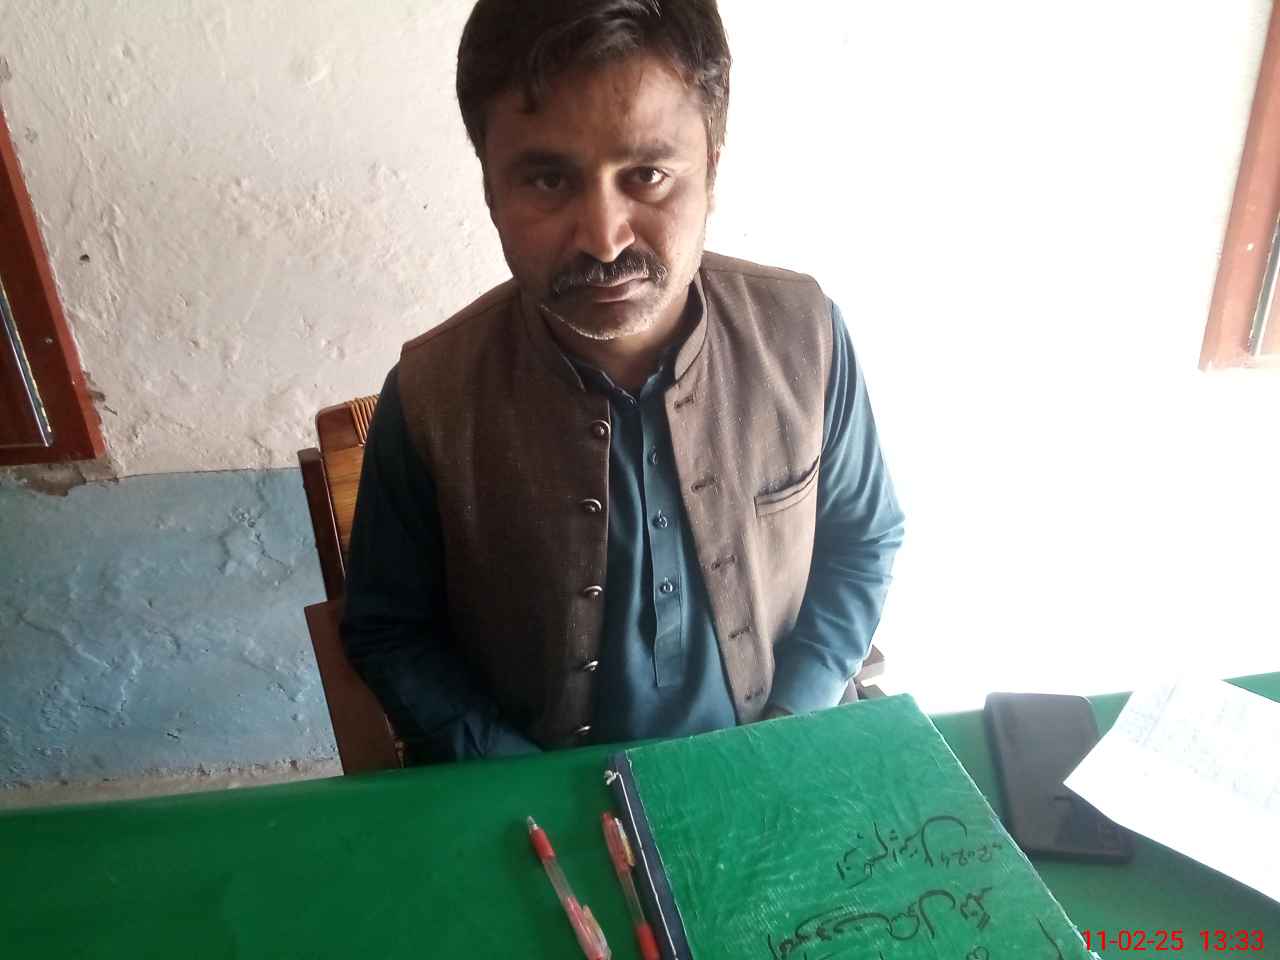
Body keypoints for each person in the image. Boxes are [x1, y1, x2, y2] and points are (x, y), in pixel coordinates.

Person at [341, 0, 905, 764]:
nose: (604, 239)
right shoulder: (430, 395)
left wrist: (790, 722)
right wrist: (513, 776)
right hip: (536, 801)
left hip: (788, 757)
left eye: (647, 174)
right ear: (490, 190)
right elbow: (389, 630)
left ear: (711, 168)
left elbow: (863, 541)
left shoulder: (805, 335)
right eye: (547, 179)